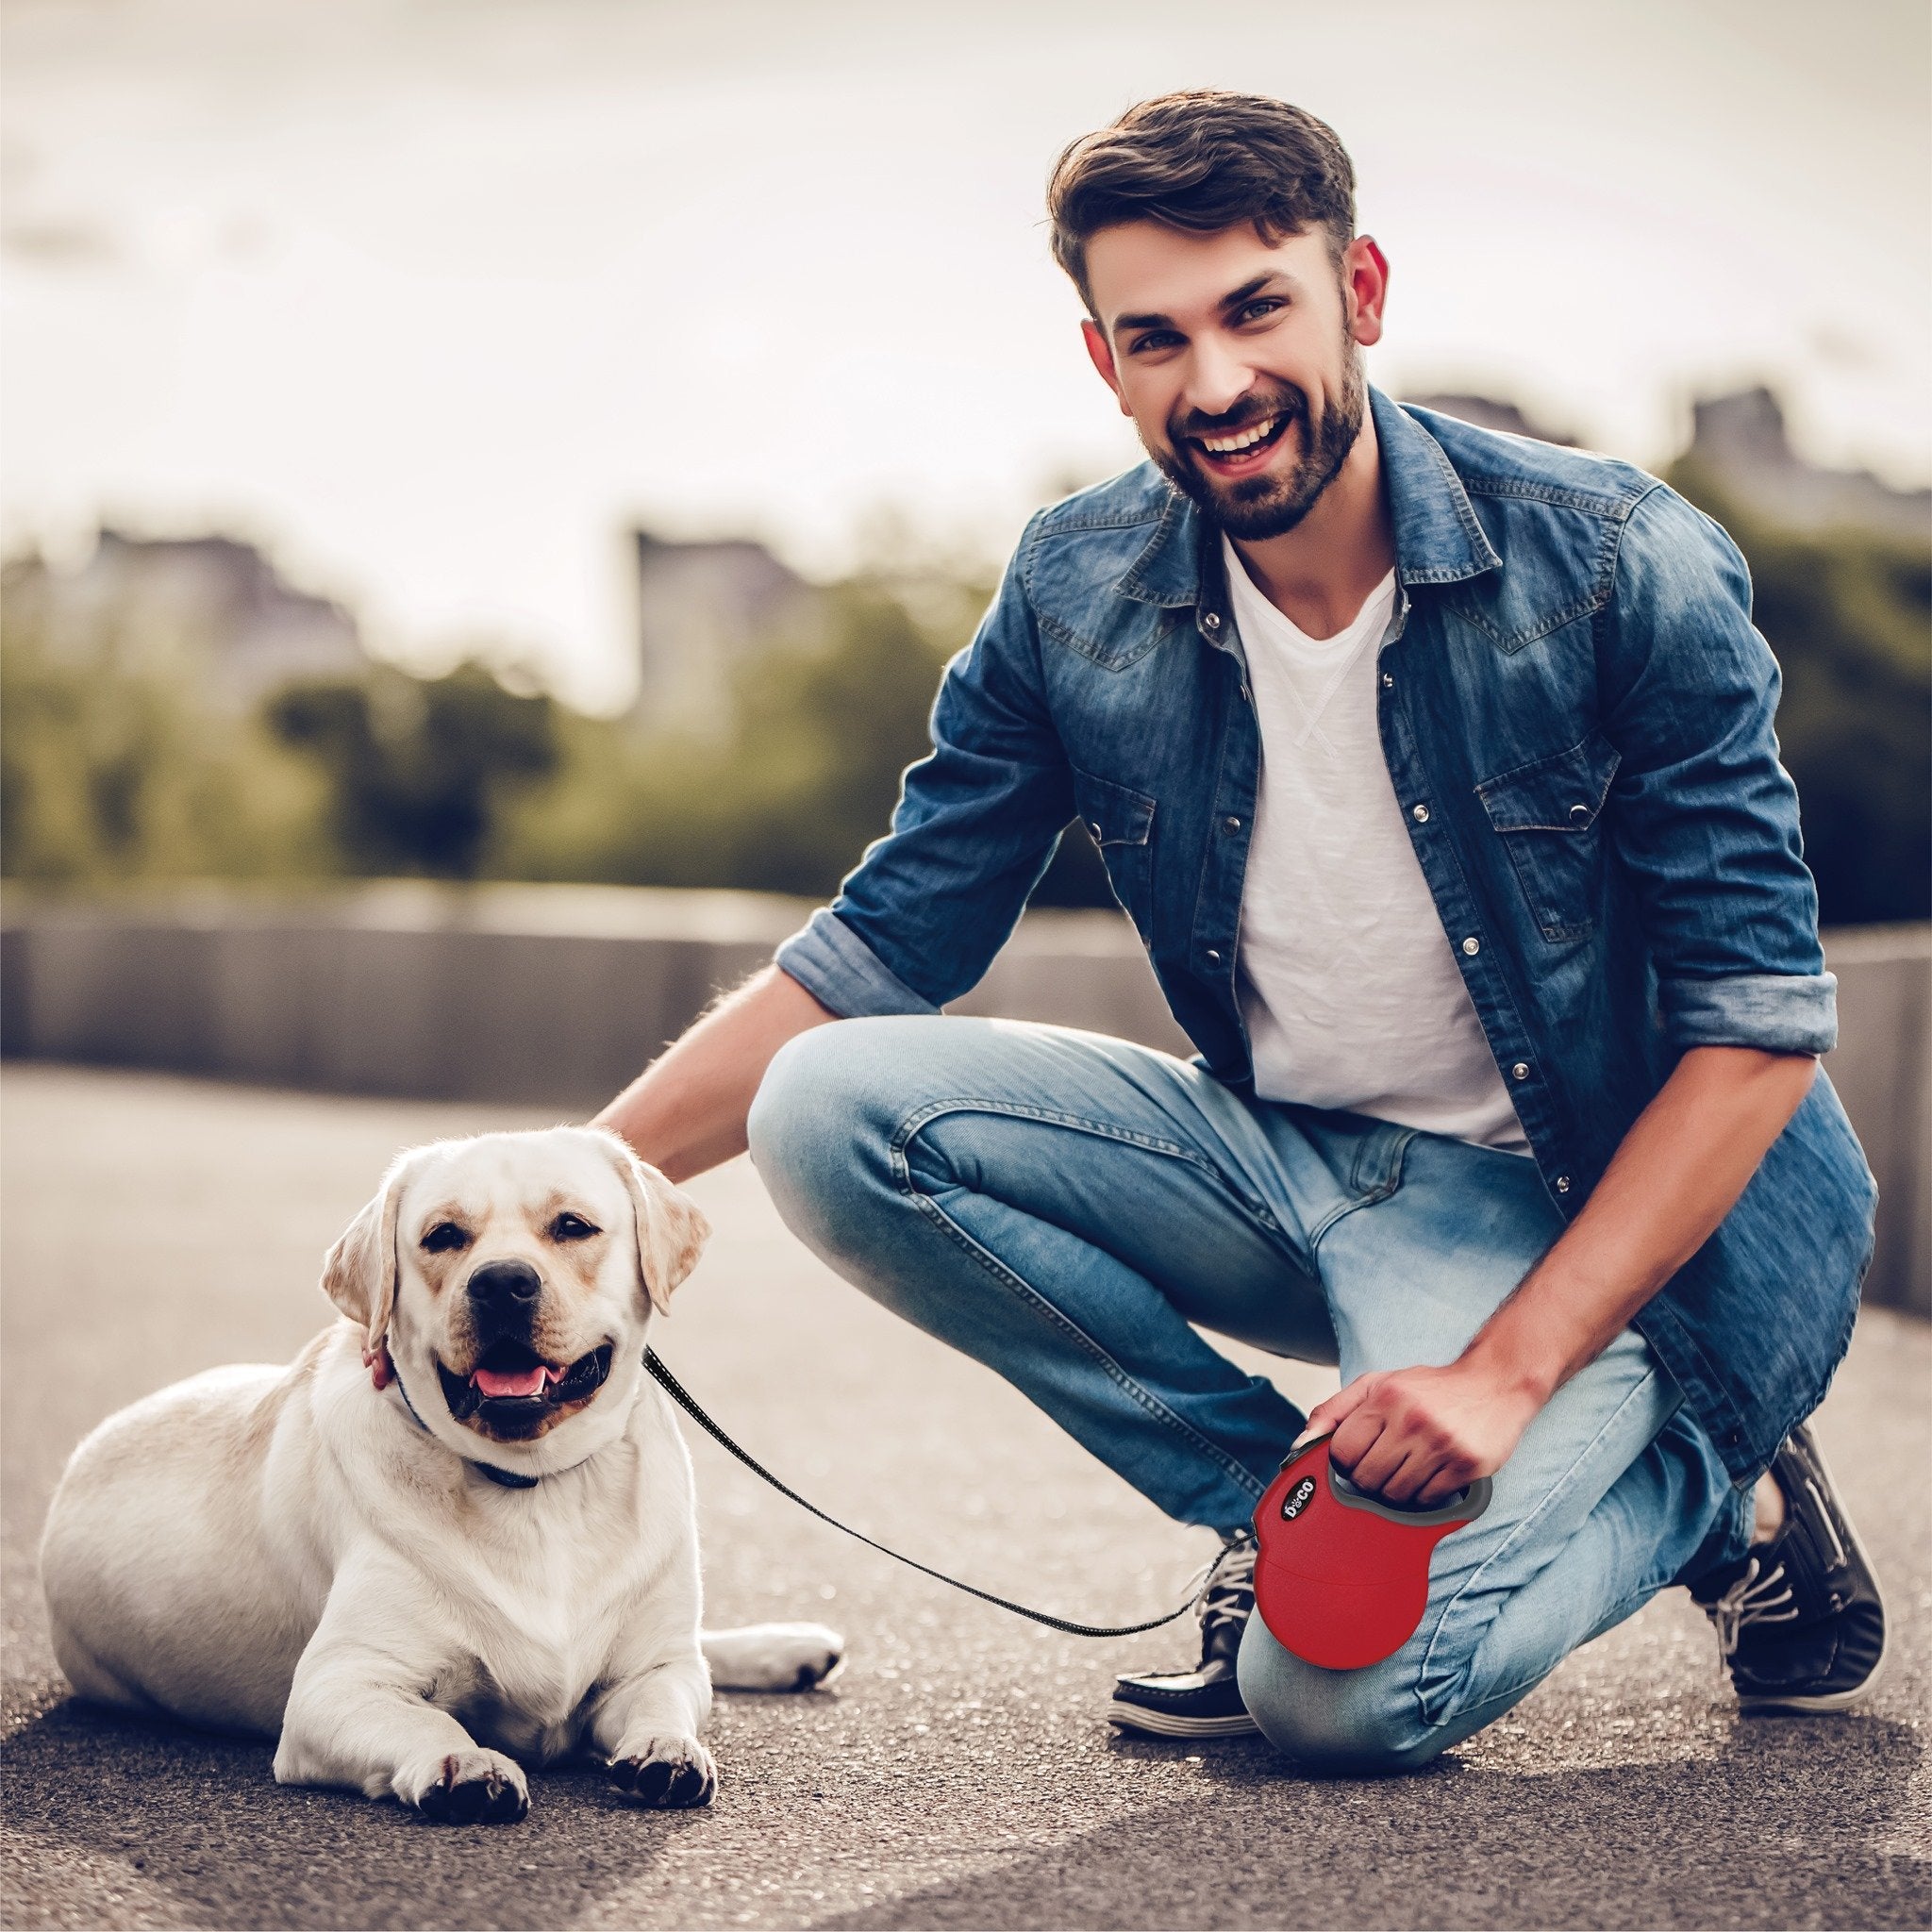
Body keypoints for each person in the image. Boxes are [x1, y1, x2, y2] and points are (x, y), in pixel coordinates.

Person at [595, 92, 1885, 1770]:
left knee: (1336, 1699)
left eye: (1255, 309)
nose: (1213, 385)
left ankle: (1726, 1488)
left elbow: (1755, 1027)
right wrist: (544, 1198)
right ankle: (1274, 1516)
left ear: (1359, 292)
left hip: (1620, 1243)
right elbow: (884, 945)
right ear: (1103, 362)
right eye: (1157, 338)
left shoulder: (1618, 565)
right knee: (823, 1113)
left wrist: (1502, 1376)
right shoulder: (1079, 588)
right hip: (1304, 1168)